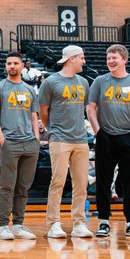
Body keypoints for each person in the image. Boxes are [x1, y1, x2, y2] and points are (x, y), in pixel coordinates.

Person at [87, 44, 130, 238]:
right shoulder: (99, 81)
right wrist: (98, 132)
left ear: (124, 60)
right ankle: (103, 221)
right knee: (103, 181)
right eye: (108, 58)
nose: (110, 61)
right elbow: (90, 108)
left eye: (114, 58)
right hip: (105, 137)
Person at [38, 45, 91, 240]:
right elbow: (43, 110)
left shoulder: (84, 82)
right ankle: (53, 223)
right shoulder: (50, 82)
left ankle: (79, 223)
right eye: (81, 58)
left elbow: (83, 108)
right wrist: (51, 128)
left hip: (81, 139)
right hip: (59, 138)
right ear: (71, 59)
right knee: (58, 181)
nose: (84, 61)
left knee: (81, 184)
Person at [0, 51, 40, 241]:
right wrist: (2, 141)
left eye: (15, 63)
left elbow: (33, 116)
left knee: (23, 187)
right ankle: (3, 225)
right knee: (7, 185)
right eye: (9, 63)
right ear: (6, 66)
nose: (12, 66)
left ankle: (18, 224)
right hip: (9, 142)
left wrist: (36, 139)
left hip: (30, 143)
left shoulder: (29, 90)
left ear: (22, 66)